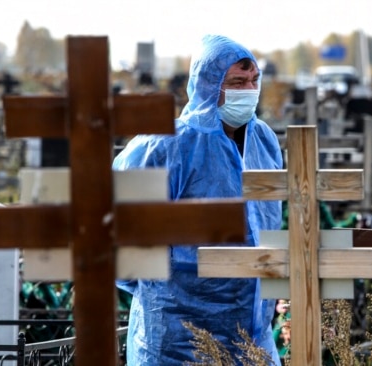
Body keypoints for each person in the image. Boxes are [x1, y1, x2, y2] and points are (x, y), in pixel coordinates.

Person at [113, 35, 283, 365]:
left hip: (252, 333)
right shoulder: (166, 146)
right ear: (208, 84)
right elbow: (123, 242)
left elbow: (270, 221)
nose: (249, 90)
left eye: (254, 80)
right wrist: (170, 293)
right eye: (237, 81)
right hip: (179, 336)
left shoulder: (263, 140)